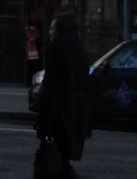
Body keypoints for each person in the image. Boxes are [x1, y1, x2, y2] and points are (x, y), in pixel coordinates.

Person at [35, 13, 92, 178]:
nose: (50, 31)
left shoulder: (55, 48)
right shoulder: (80, 49)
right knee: (63, 158)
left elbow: (51, 84)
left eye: (53, 27)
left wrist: (42, 109)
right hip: (76, 112)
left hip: (58, 113)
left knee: (52, 160)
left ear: (60, 29)